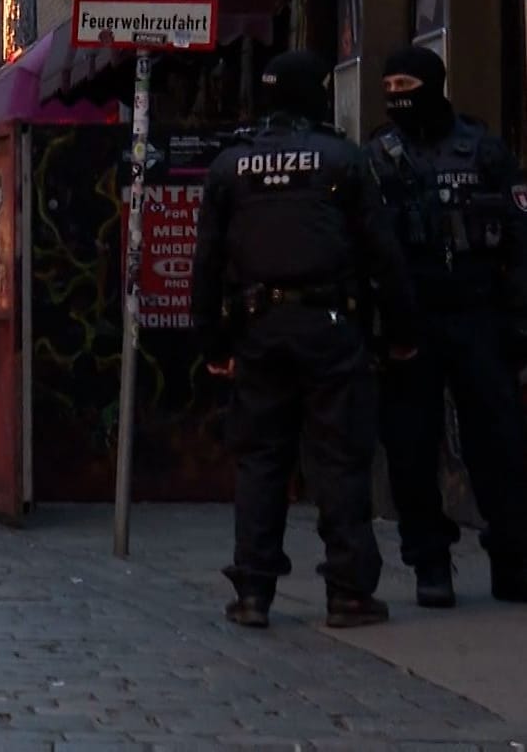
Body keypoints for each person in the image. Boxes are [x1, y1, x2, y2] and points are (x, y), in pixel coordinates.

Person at [192, 49, 418, 629]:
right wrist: (400, 331)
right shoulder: (342, 159)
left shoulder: (230, 166)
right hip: (331, 327)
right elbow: (382, 253)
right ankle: (347, 592)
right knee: (340, 460)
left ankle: (253, 592)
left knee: (261, 460)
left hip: (259, 328)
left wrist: (213, 343)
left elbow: (208, 263)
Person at [365, 46, 527, 606]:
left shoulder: (483, 149)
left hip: (479, 316)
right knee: (410, 449)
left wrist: (518, 318)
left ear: (434, 85)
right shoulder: (379, 157)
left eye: (408, 84)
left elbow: (519, 236)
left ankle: (513, 559)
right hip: (410, 323)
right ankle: (430, 563)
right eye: (389, 88)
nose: (397, 98)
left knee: (500, 444)